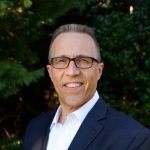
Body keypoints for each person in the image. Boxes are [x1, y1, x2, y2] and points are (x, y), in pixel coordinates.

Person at [22, 24, 150, 150]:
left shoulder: (133, 138)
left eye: (83, 60)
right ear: (50, 72)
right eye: (61, 61)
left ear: (99, 71)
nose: (72, 72)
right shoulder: (35, 128)